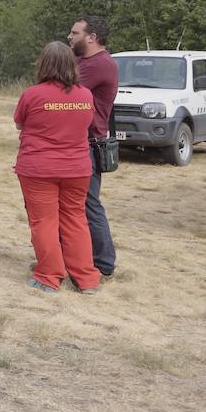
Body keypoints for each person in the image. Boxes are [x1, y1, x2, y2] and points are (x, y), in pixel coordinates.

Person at [14, 42, 101, 293]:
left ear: (43, 65)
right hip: (77, 168)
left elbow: (20, 124)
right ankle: (86, 279)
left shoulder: (33, 94)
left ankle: (49, 276)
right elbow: (87, 124)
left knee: (44, 222)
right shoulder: (85, 95)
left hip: (39, 168)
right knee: (76, 220)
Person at [68, 15, 118, 277]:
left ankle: (103, 264)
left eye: (75, 33)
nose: (69, 37)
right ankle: (80, 258)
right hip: (78, 142)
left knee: (88, 205)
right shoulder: (84, 61)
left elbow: (62, 89)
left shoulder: (98, 64)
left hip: (87, 144)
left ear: (92, 37)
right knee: (79, 204)